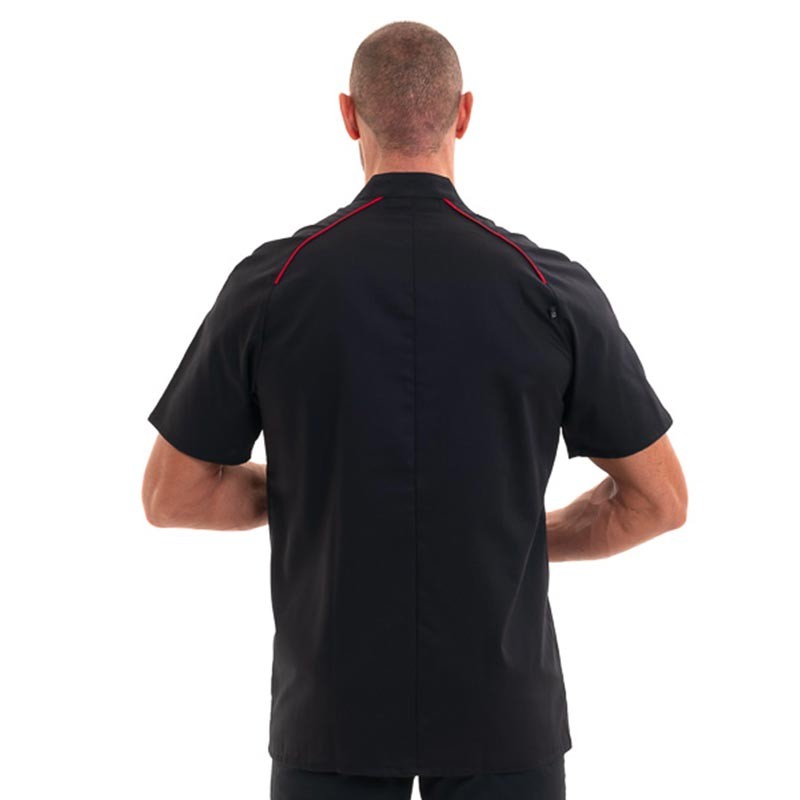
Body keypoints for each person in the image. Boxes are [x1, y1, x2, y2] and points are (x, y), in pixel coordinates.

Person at [142, 20, 688, 800]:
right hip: (505, 721)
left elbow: (173, 494)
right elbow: (659, 501)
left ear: (347, 115)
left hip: (331, 721)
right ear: (464, 114)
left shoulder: (273, 284)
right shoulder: (548, 289)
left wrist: (313, 494)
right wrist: (518, 538)